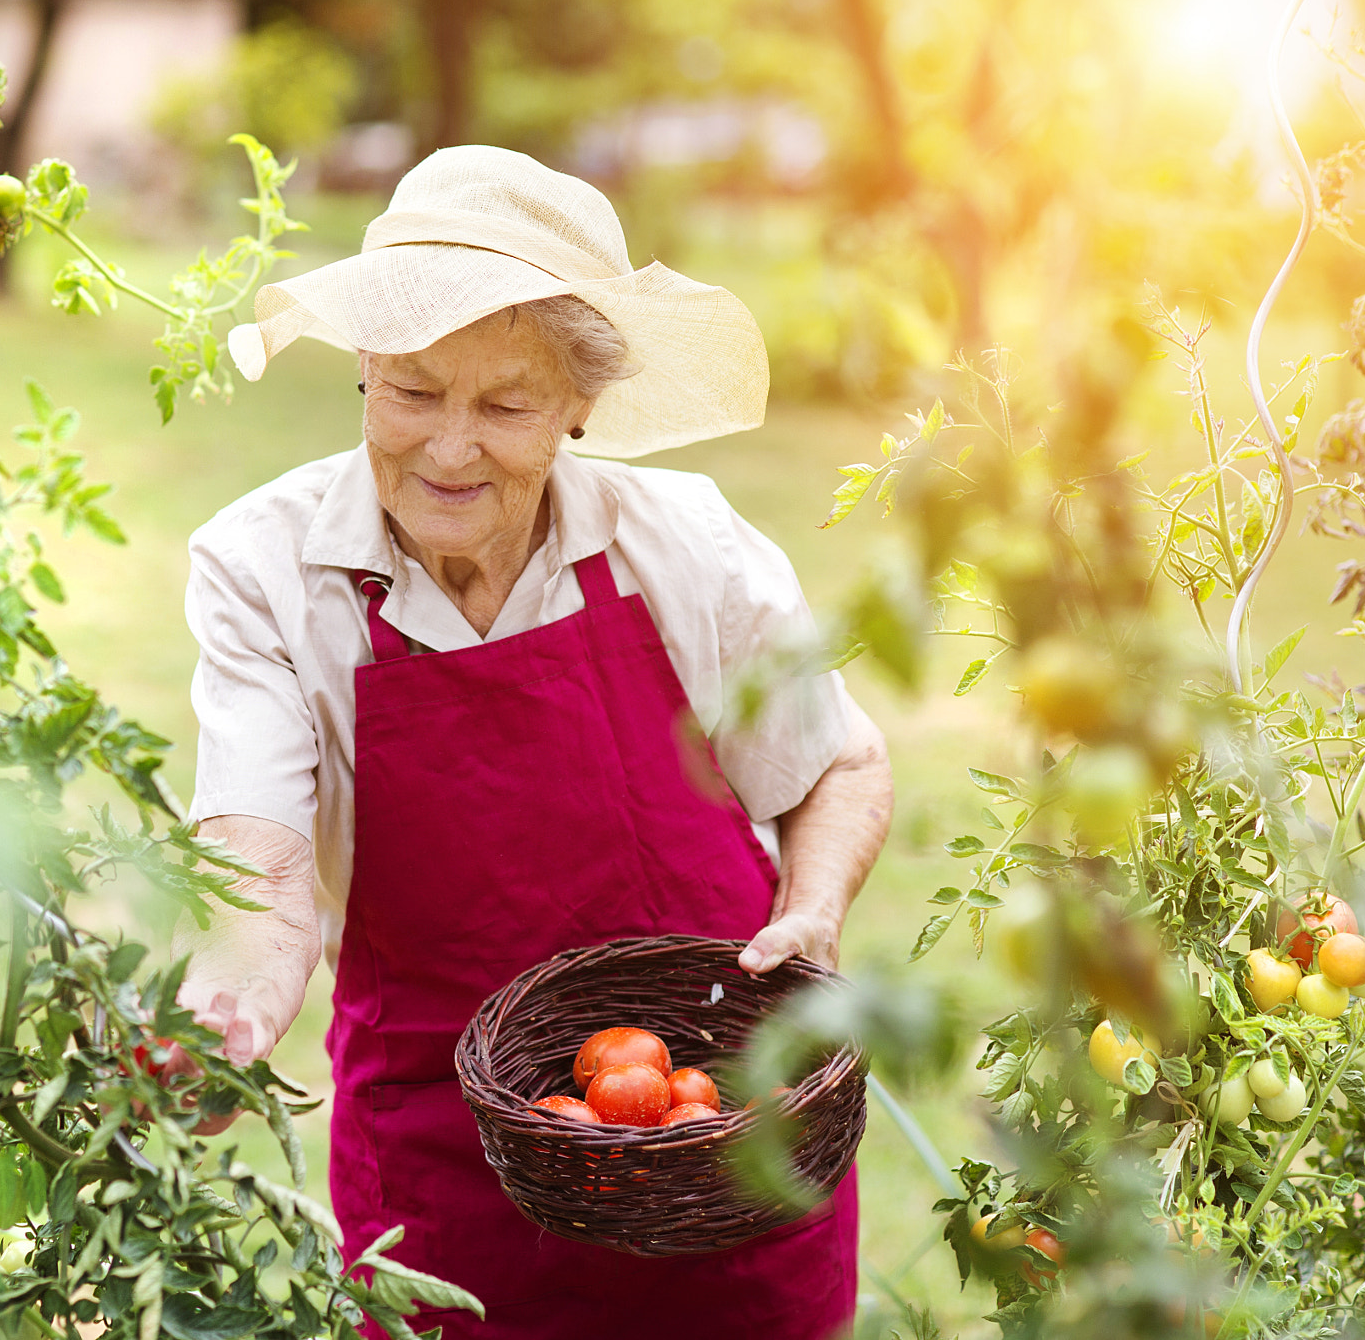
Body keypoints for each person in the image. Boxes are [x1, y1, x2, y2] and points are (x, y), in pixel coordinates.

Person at [174, 144, 892, 1339]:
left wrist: (810, 916)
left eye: (503, 405)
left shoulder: (685, 547)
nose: (449, 450)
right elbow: (258, 860)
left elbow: (835, 762)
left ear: (579, 407)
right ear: (361, 368)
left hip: (716, 1149)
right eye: (411, 391)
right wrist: (234, 1008)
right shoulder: (264, 569)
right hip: (447, 1186)